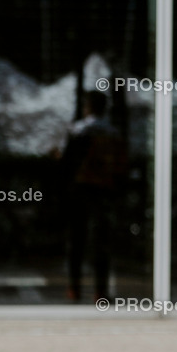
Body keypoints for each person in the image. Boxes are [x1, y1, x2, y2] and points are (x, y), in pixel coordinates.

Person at [61, 90, 126, 302]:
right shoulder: (113, 133)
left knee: (77, 241)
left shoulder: (79, 131)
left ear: (87, 107)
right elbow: (121, 167)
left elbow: (67, 164)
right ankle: (101, 292)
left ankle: (75, 289)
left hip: (80, 190)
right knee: (102, 243)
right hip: (104, 192)